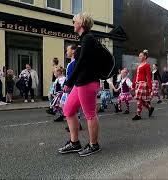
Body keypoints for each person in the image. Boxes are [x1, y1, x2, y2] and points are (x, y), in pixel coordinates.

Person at [59, 12, 101, 156]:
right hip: (80, 82)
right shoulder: (83, 39)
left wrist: (69, 82)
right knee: (69, 110)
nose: (73, 23)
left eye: (74, 21)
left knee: (90, 114)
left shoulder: (88, 38)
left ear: (81, 23)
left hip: (88, 82)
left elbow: (82, 62)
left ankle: (94, 144)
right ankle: (74, 142)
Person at [63, 45, 83, 132]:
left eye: (67, 50)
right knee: (70, 106)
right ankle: (76, 124)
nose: (66, 52)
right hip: (70, 86)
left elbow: (74, 75)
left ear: (73, 51)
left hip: (74, 86)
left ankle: (77, 124)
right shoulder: (71, 62)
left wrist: (69, 85)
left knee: (74, 106)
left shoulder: (75, 62)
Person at [131, 50, 155, 120]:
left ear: (145, 57)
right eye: (139, 56)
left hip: (143, 84)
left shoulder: (147, 65)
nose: (139, 57)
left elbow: (148, 76)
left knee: (139, 99)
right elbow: (136, 76)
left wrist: (150, 87)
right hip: (138, 84)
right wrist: (133, 85)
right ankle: (150, 108)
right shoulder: (139, 65)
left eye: (141, 56)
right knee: (142, 100)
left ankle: (138, 114)